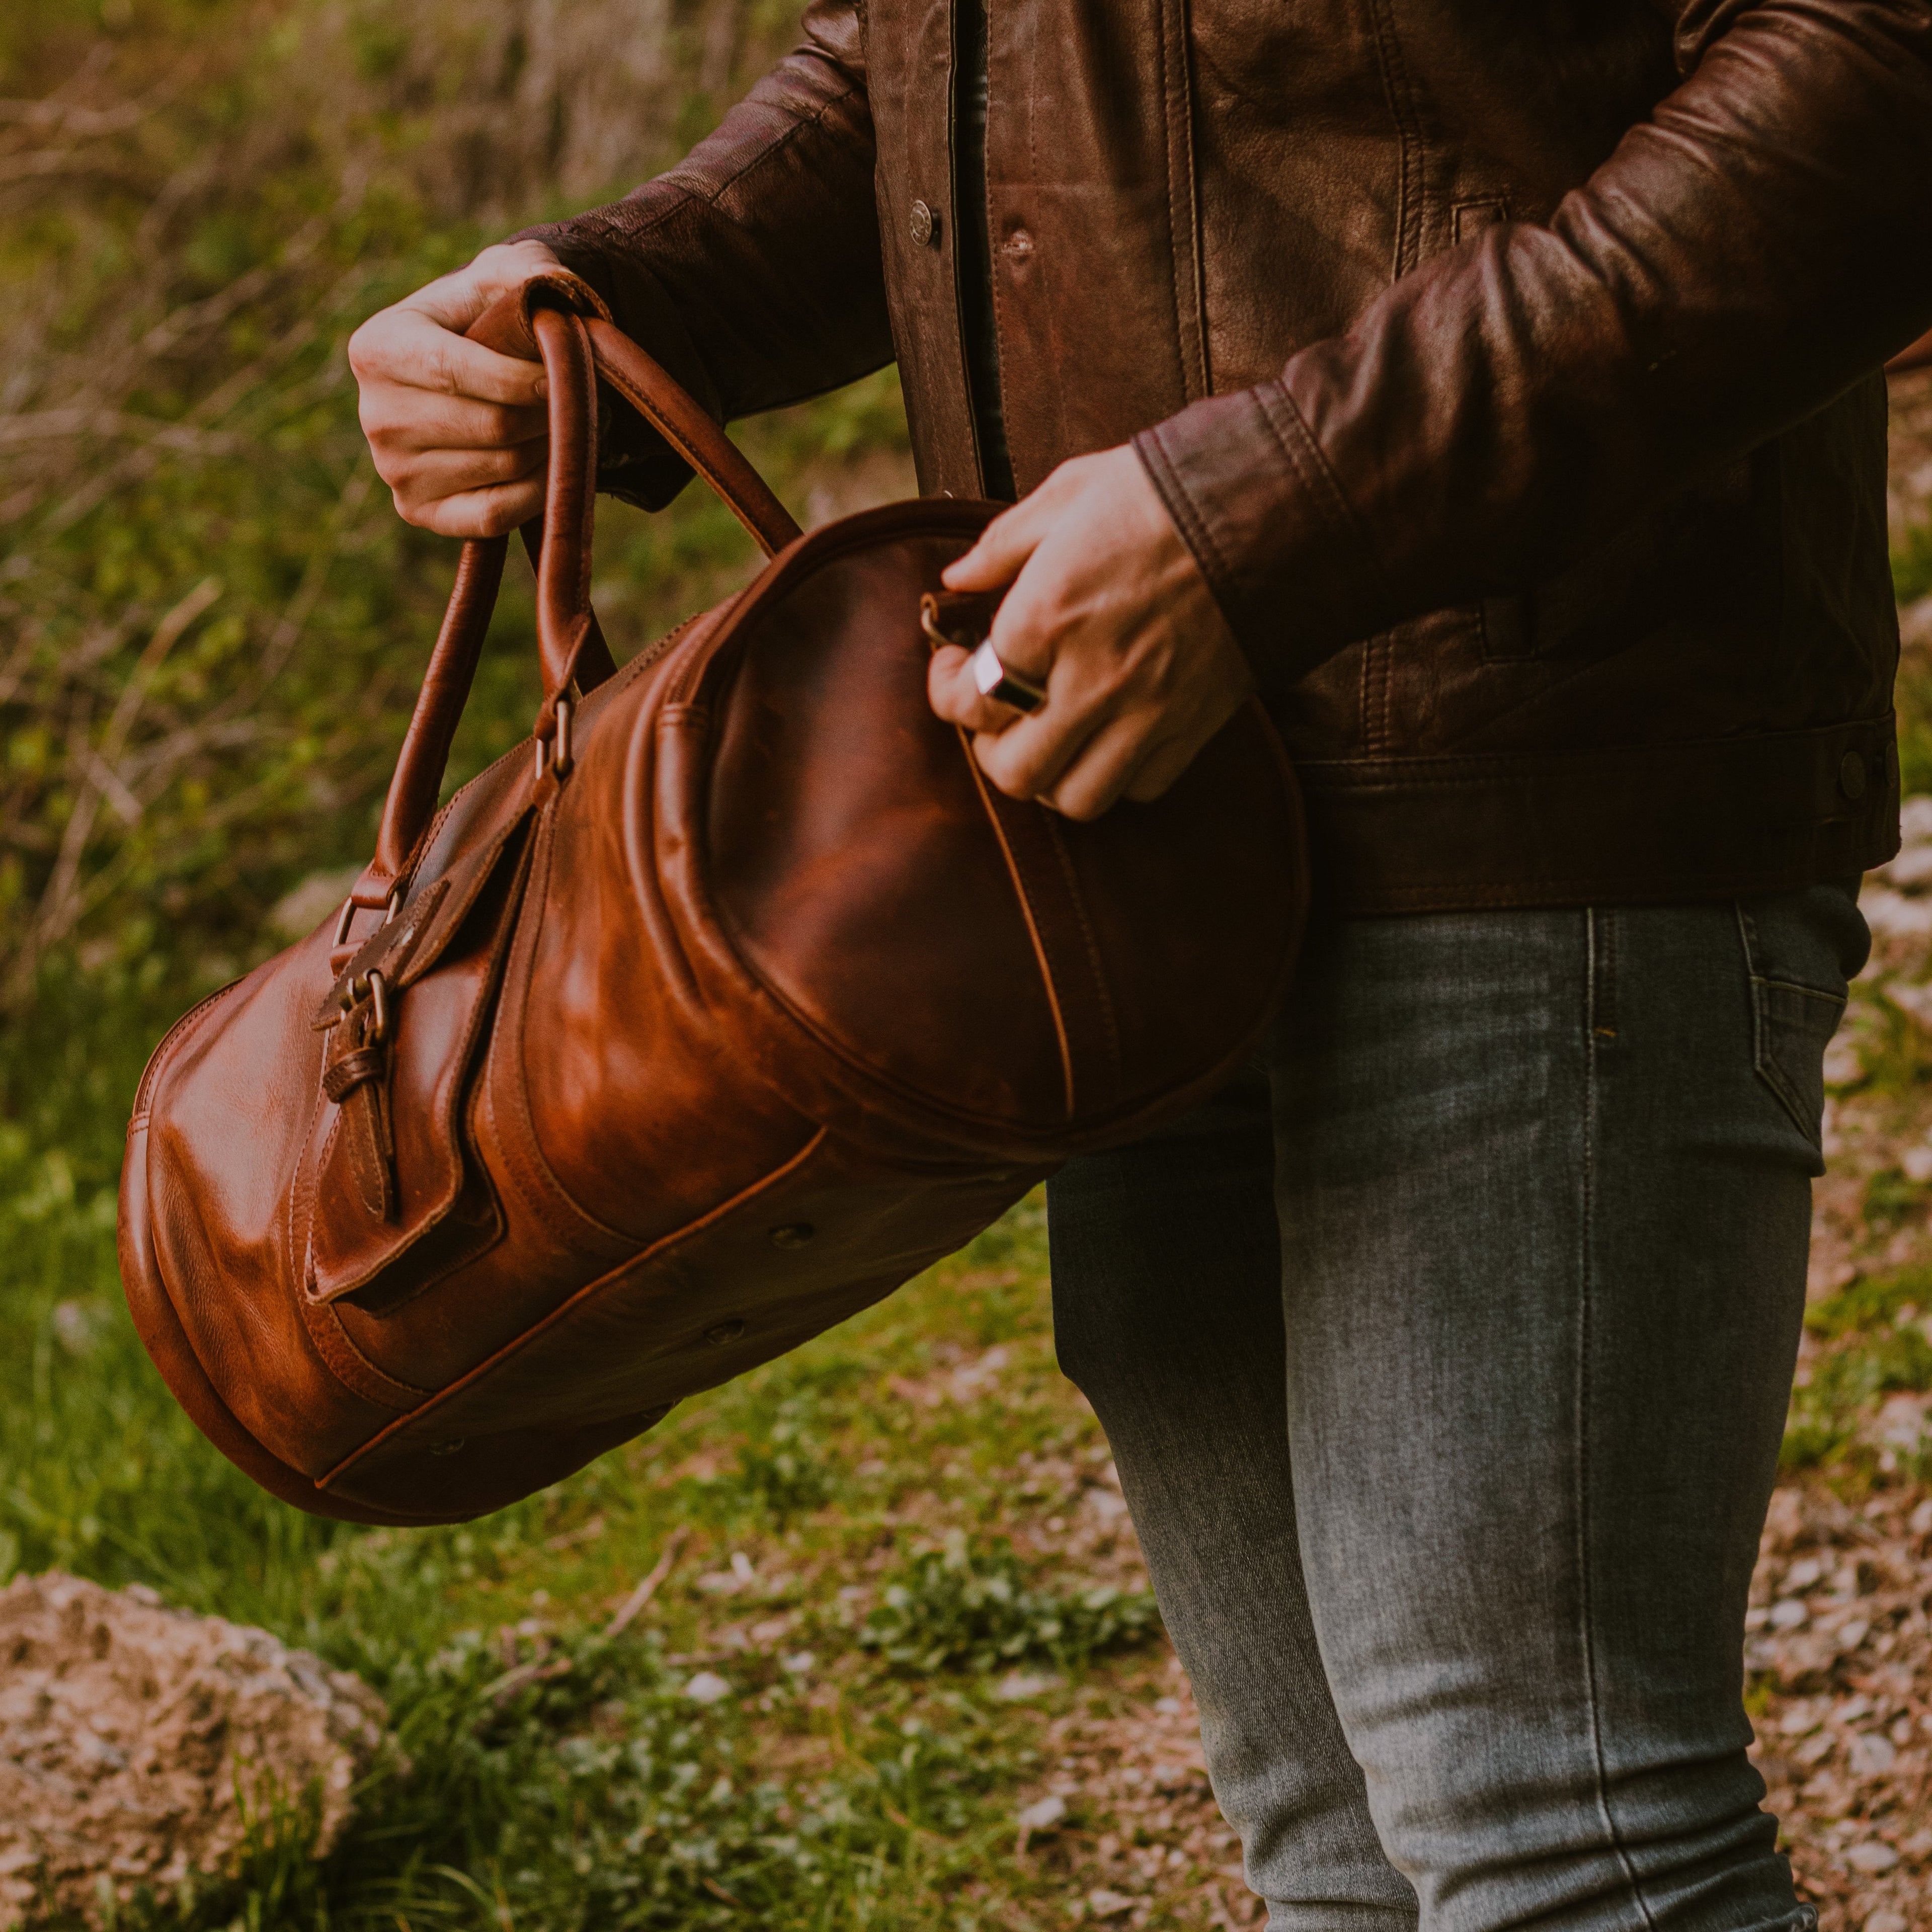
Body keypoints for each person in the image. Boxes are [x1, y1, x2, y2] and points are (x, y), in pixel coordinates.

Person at [350, 2, 1932, 1924]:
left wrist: (1253, 523)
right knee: (1336, 1850)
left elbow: (1878, 65)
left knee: (1556, 1836)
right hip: (1118, 831)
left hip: (1537, 780)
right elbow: (925, 60)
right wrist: (611, 304)